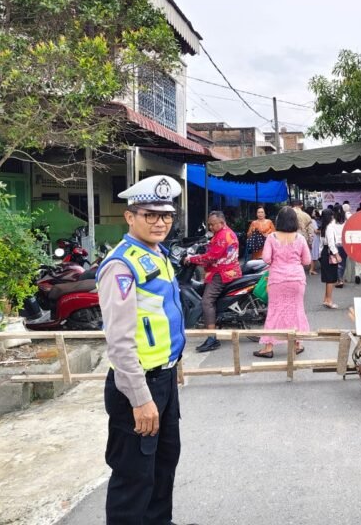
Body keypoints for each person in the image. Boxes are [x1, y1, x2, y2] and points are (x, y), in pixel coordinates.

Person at [96, 174, 193, 525]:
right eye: (149, 214)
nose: (160, 222)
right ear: (129, 216)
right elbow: (120, 342)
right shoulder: (121, 266)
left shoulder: (157, 254)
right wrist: (139, 399)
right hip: (137, 386)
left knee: (164, 464)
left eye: (166, 215)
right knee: (134, 475)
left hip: (163, 379)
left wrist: (173, 368)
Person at [253, 207, 311, 358]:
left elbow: (266, 259)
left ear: (278, 221)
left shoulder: (272, 237)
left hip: (277, 279)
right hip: (296, 279)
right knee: (297, 310)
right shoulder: (300, 238)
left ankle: (268, 347)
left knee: (275, 311)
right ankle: (297, 344)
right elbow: (307, 260)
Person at [188, 211, 242, 353]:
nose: (210, 227)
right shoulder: (222, 233)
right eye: (209, 225)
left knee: (207, 301)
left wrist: (191, 259)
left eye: (212, 224)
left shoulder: (223, 236)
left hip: (222, 273)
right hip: (227, 270)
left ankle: (212, 338)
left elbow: (212, 257)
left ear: (222, 223)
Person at [319, 208, 342, 308]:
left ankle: (326, 299)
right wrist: (337, 255)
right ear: (330, 216)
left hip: (325, 252)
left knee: (328, 278)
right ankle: (329, 301)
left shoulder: (323, 227)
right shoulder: (329, 227)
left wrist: (320, 255)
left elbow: (321, 244)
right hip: (330, 253)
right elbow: (331, 244)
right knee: (331, 279)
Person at [332, 204, 348, 287]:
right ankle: (341, 278)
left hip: (335, 244)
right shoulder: (346, 221)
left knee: (336, 262)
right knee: (343, 262)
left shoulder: (332, 222)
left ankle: (339, 280)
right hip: (344, 244)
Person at [309, 208, 321, 276]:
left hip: (310, 237)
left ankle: (311, 268)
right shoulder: (312, 221)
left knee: (311, 253)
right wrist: (323, 231)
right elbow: (316, 231)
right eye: (313, 211)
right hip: (314, 238)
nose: (314, 213)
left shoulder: (307, 220)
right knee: (314, 254)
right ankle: (312, 270)